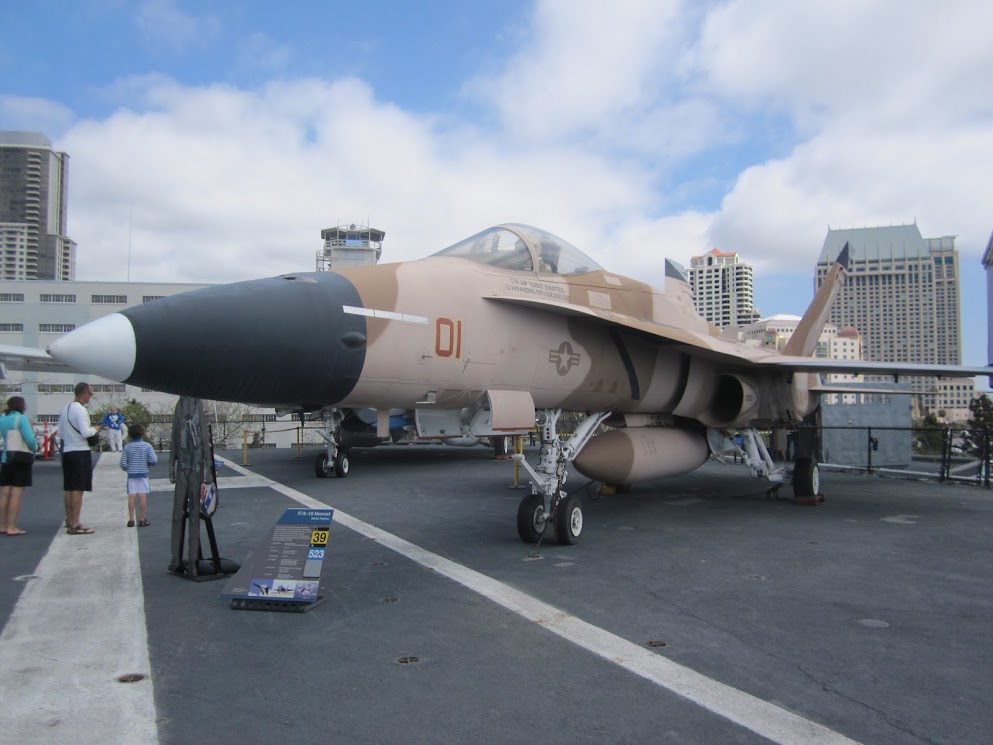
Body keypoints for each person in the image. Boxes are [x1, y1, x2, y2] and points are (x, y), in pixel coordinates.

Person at [58, 382, 101, 535]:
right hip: (80, 452)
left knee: (69, 488)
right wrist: (94, 429)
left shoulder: (65, 409)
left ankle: (70, 520)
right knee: (78, 489)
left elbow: (61, 433)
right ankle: (75, 524)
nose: (91, 396)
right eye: (90, 393)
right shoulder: (81, 410)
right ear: (83, 393)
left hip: (67, 451)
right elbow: (85, 432)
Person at [0, 396, 37, 536]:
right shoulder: (21, 419)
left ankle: (2, 525)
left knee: (5, 492)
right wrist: (34, 450)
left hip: (6, 457)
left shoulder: (2, 419)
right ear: (21, 406)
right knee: (16, 492)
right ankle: (12, 526)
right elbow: (30, 439)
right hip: (21, 458)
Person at [120, 423, 157, 527]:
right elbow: (154, 460)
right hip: (143, 473)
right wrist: (148, 464)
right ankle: (142, 519)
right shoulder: (147, 446)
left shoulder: (127, 447)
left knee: (131, 496)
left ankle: (131, 519)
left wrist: (128, 469)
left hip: (132, 474)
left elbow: (123, 463)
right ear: (142, 434)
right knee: (142, 495)